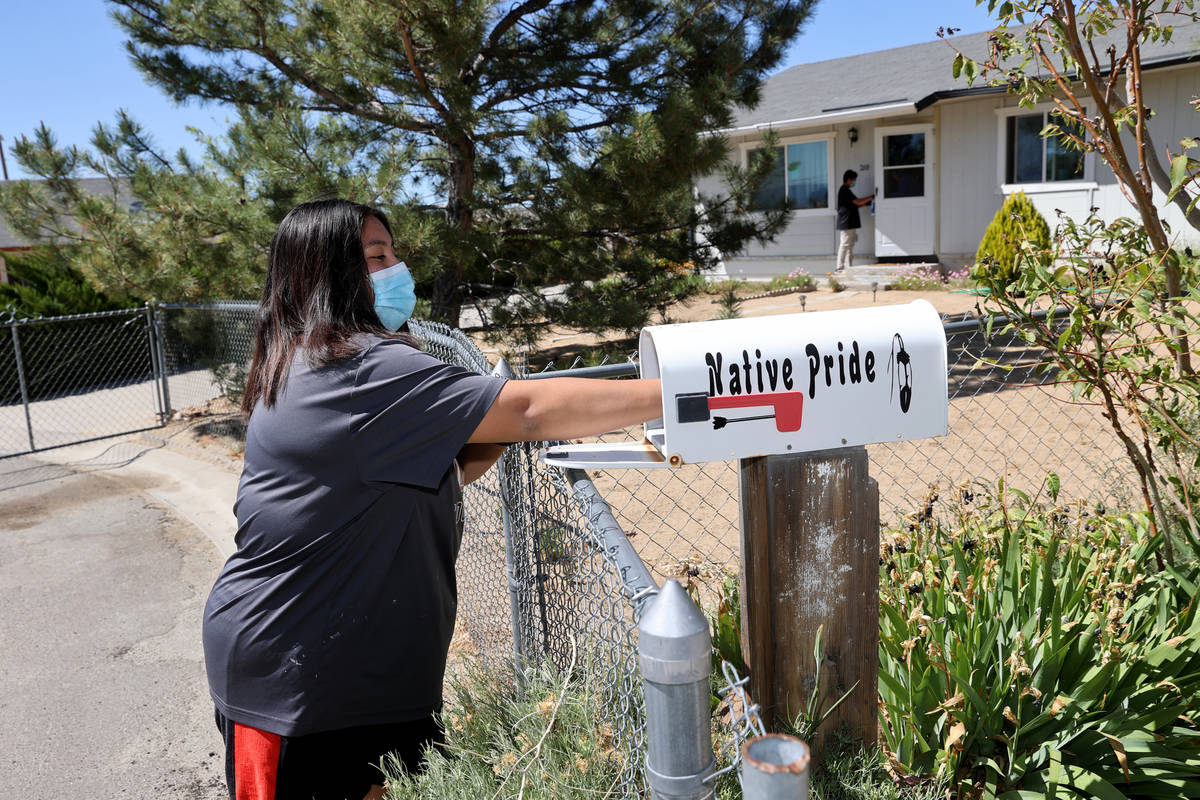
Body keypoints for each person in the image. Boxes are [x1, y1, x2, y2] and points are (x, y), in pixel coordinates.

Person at [202, 199, 663, 800]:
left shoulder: (307, 359)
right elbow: (526, 409)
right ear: (326, 276)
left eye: (392, 253)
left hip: (349, 671)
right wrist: (684, 386)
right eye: (376, 258)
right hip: (302, 686)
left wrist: (482, 418)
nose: (397, 269)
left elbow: (421, 474)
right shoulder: (361, 371)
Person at [835, 169, 874, 272]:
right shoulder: (844, 190)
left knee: (850, 244)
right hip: (846, 222)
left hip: (850, 222)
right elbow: (857, 202)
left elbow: (857, 204)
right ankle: (839, 266)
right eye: (853, 180)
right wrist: (870, 197)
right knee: (845, 243)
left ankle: (848, 266)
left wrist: (867, 203)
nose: (854, 182)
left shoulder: (847, 191)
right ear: (848, 179)